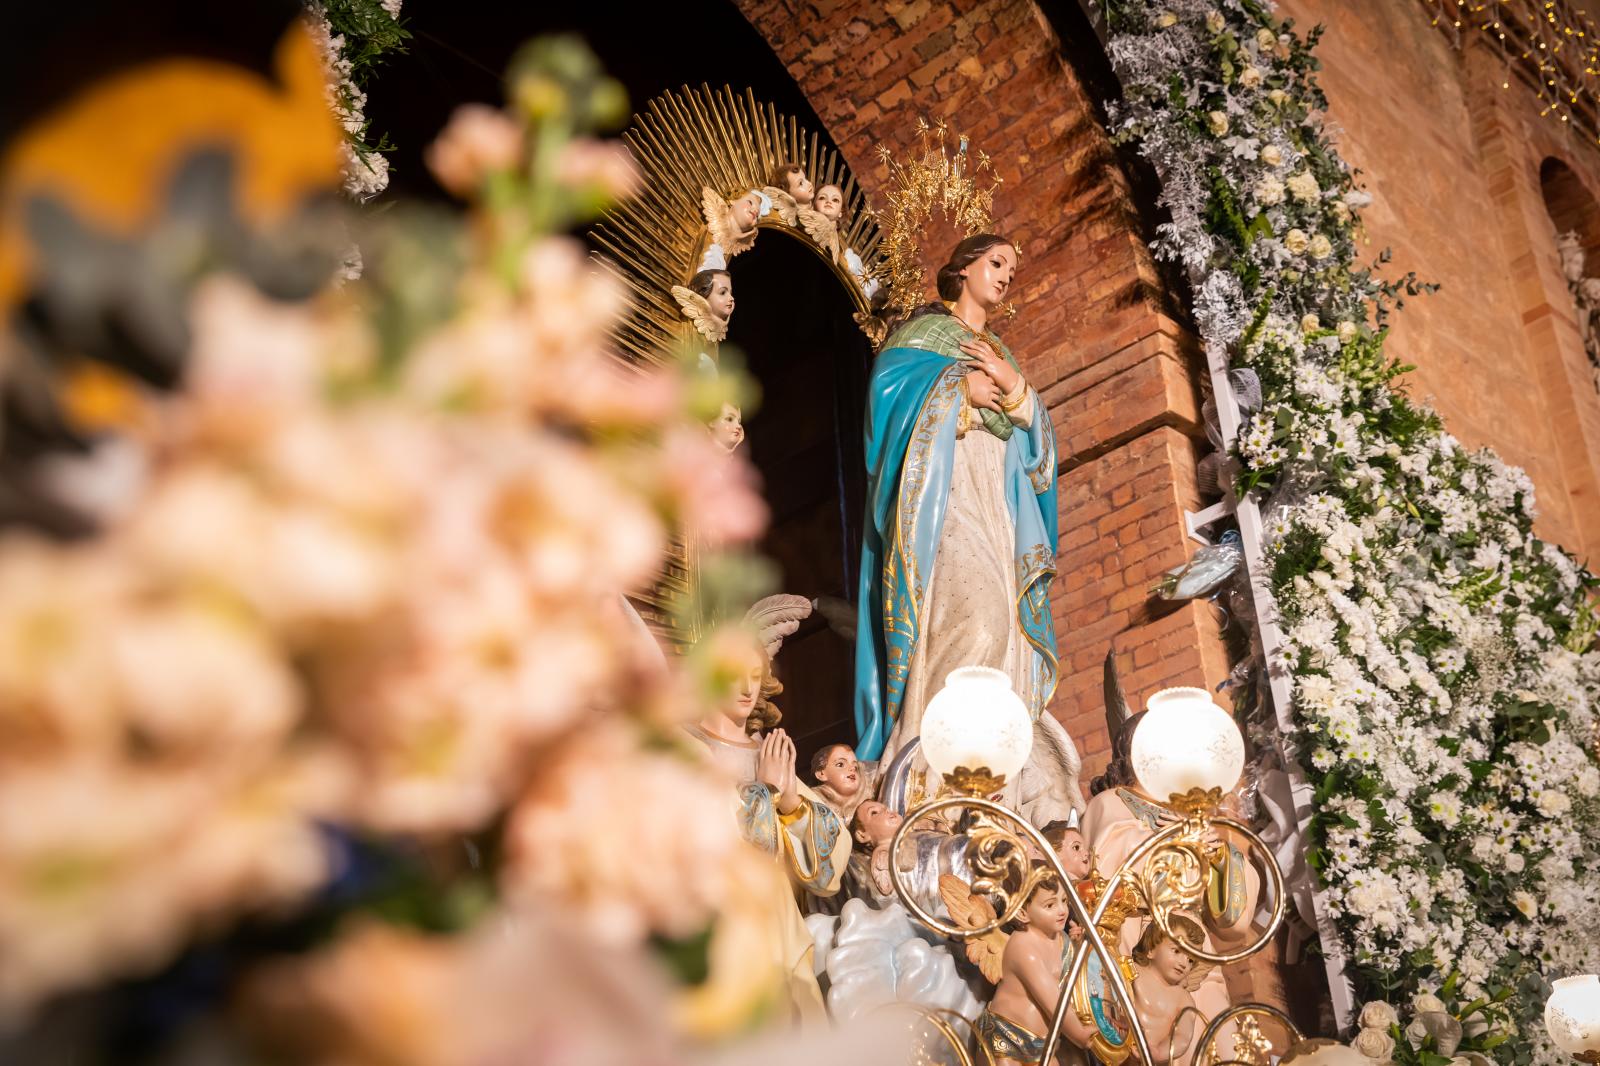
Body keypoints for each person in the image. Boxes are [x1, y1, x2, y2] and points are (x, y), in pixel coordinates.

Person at [853, 233, 1081, 826]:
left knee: (1005, 633)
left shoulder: (999, 351)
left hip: (997, 503)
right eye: (997, 262)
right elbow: (885, 413)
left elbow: (1038, 448)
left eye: (1013, 266)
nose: (1007, 275)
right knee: (977, 619)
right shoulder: (919, 339)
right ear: (962, 269)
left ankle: (994, 795)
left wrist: (1020, 394)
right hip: (944, 499)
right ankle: (930, 788)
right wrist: (960, 390)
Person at [976, 865, 1070, 1066]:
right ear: (1022, 912)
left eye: (1064, 900)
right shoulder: (1024, 947)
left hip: (1042, 1044)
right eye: (1050, 905)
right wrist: (1079, 1032)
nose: (1062, 910)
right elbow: (1055, 1004)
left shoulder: (1061, 939)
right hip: (1006, 1038)